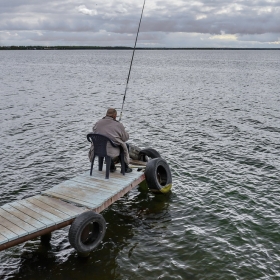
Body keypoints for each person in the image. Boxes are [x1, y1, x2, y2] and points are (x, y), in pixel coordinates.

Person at [90, 108, 132, 173]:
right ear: (115, 115)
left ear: (106, 114)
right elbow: (124, 138)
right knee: (125, 145)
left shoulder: (98, 123)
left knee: (106, 145)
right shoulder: (118, 124)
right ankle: (125, 168)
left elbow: (94, 131)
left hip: (98, 149)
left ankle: (111, 167)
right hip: (110, 150)